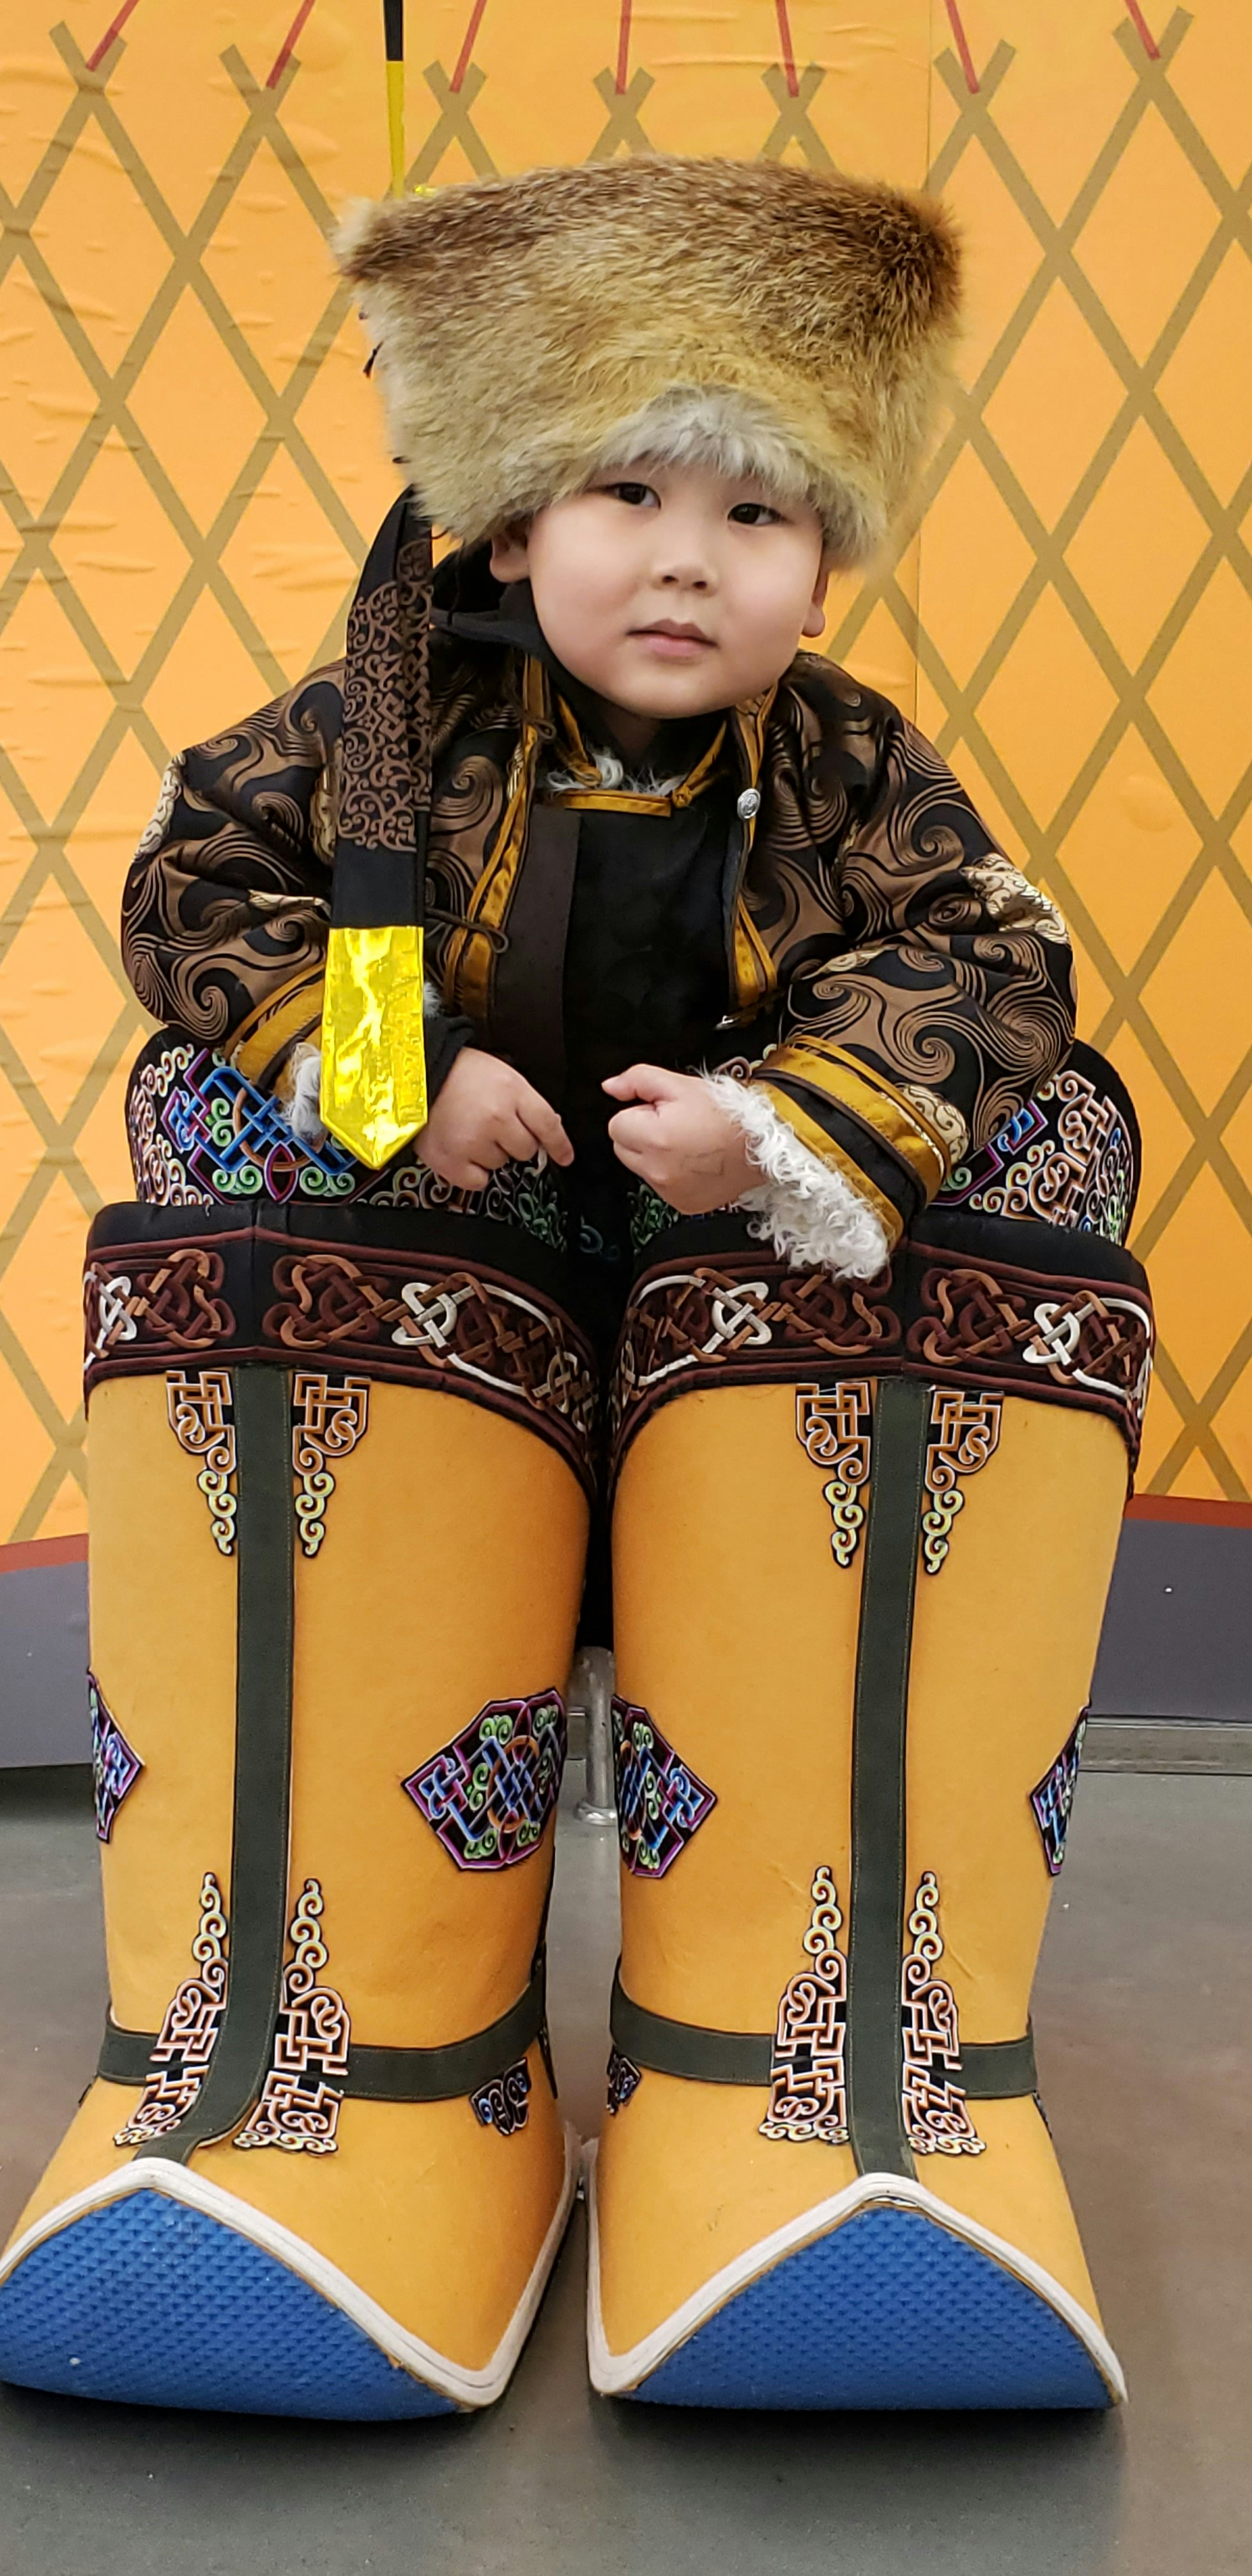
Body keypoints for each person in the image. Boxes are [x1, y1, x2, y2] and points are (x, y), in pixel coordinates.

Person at [0, 155, 1151, 2418]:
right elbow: (195, 885)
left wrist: (791, 1124)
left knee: (1050, 1118)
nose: (690, 554)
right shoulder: (386, 720)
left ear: (825, 567)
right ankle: (355, 2045)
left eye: (760, 513)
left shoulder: (846, 767)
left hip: (749, 1294)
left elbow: (992, 952)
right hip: (446, 1259)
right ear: (516, 524)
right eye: (631, 488)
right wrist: (392, 1076)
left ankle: (800, 2049)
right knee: (210, 1115)